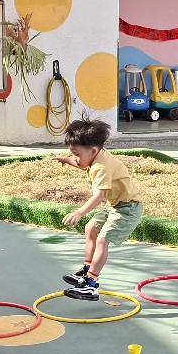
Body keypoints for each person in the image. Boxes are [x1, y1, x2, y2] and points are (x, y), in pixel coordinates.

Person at [51, 117, 144, 301]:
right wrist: (66, 159)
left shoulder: (101, 167)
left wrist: (79, 212)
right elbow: (82, 163)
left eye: (76, 154)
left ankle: (91, 284)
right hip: (116, 205)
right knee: (90, 228)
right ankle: (87, 270)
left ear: (93, 151)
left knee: (102, 240)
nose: (75, 158)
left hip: (128, 208)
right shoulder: (96, 155)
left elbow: (98, 196)